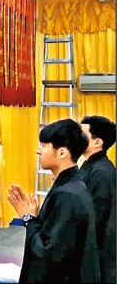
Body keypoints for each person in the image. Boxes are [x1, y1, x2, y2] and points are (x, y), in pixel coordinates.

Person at [7, 119, 100, 283]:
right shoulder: (72, 186)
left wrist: (28, 218)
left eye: (43, 145)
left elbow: (48, 254)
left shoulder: (68, 195)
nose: (38, 151)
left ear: (62, 153)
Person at [79, 115, 116, 284]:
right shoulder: (90, 165)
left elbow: (93, 217)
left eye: (82, 134)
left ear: (97, 142)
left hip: (99, 256)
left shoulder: (101, 172)